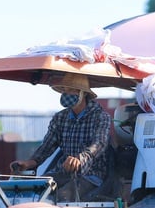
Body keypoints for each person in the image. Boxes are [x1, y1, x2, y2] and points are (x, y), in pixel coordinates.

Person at [10, 73, 112, 201]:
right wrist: (29, 163)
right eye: (64, 90)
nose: (66, 93)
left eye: (71, 90)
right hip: (62, 173)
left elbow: (99, 144)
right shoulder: (60, 118)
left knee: (63, 197)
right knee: (32, 192)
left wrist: (80, 160)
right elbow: (47, 146)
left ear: (83, 93)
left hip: (91, 175)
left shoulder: (101, 117)